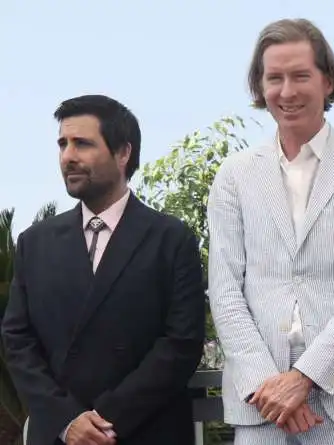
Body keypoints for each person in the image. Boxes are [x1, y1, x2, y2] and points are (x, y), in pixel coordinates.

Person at [206, 18, 334, 445]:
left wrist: (304, 377)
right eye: (274, 78)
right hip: (261, 404)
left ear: (327, 80)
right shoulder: (234, 176)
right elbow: (224, 291)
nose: (287, 91)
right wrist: (269, 384)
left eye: (300, 76)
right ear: (260, 87)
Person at [1, 94, 207, 445]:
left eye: (82, 143)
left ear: (123, 152)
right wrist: (68, 421)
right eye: (62, 144)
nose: (68, 156)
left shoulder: (171, 238)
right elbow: (17, 341)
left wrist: (106, 420)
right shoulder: (34, 242)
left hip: (147, 431)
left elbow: (182, 344)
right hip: (58, 435)